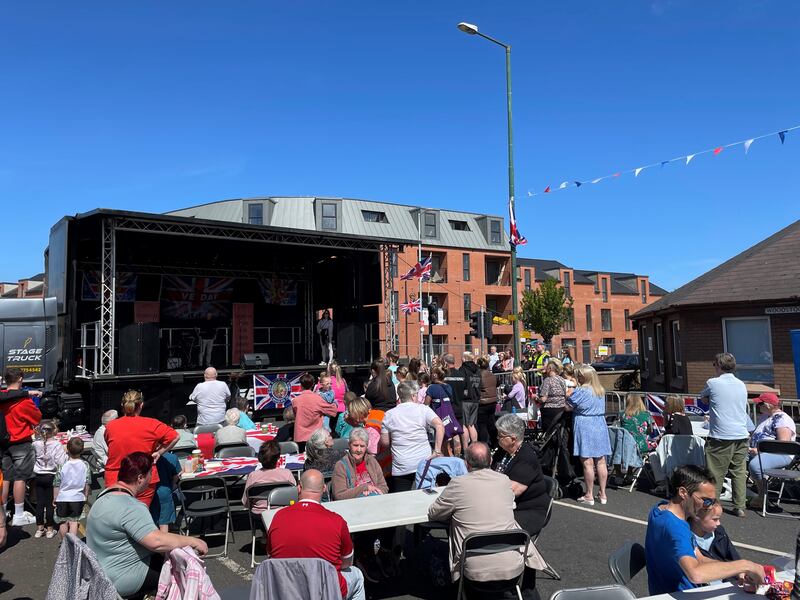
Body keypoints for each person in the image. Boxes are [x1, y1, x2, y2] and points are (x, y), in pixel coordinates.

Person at [87, 452, 208, 598]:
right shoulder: (131, 506)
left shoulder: (103, 496)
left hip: (100, 572)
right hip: (123, 578)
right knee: (182, 569)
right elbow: (156, 542)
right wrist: (194, 541)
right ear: (140, 478)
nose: (152, 478)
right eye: (151, 473)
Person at [429, 442, 542, 597]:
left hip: (474, 571)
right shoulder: (504, 480)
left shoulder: (457, 484)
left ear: (466, 464)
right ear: (490, 462)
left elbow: (434, 513)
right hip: (513, 569)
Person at [644, 465, 764, 595]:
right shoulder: (676, 528)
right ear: (683, 493)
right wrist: (745, 565)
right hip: (682, 594)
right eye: (706, 501)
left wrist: (737, 570)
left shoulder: (659, 509)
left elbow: (699, 559)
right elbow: (695, 573)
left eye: (712, 501)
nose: (709, 507)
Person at [267, 469, 365, 600]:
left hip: (287, 590)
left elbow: (271, 557)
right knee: (357, 575)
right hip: (327, 592)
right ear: (324, 488)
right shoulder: (337, 521)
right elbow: (346, 562)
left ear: (299, 487)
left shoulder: (278, 517)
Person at [331, 428, 392, 582]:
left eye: (362, 446)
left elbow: (384, 487)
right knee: (367, 527)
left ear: (366, 447)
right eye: (355, 445)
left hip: (375, 506)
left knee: (395, 525)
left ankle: (384, 556)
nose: (358, 449)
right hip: (353, 511)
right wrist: (363, 489)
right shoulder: (341, 466)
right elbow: (339, 495)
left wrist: (376, 492)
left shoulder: (372, 461)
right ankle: (365, 558)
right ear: (349, 445)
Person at [104, 390, 179, 506]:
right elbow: (174, 436)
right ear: (141, 405)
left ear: (122, 405)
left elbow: (109, 443)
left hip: (116, 477)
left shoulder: (110, 426)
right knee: (140, 514)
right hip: (142, 477)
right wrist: (160, 452)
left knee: (116, 516)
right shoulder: (151, 424)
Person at [699, 353, 750, 517]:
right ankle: (740, 506)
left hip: (721, 435)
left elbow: (703, 397)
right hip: (741, 434)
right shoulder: (741, 384)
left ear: (719, 366)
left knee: (715, 473)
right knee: (739, 472)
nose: (714, 367)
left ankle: (712, 506)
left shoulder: (713, 383)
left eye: (714, 364)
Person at [381, 381, 445, 492]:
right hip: (423, 461)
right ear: (413, 395)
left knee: (402, 499)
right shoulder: (423, 409)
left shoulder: (389, 414)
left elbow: (385, 442)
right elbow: (440, 425)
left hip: (401, 464)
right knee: (426, 495)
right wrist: (437, 450)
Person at [492, 414, 550, 537]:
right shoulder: (503, 452)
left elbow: (511, 491)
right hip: (505, 506)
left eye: (500, 436)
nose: (497, 438)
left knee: (487, 525)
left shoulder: (527, 458)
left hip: (528, 510)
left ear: (513, 439)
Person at [0, 368, 42, 526]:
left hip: (4, 443)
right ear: (20, 379)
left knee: (5, 478)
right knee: (20, 478)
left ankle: (2, 511)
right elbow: (36, 418)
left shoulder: (2, 398)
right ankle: (18, 514)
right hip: (20, 441)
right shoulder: (23, 401)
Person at [568, 365, 611, 505]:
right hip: (599, 423)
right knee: (601, 461)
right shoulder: (600, 390)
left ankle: (589, 495)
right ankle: (603, 494)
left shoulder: (580, 391)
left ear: (583, 377)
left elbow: (567, 406)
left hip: (585, 424)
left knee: (587, 462)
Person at [747, 392, 797, 510]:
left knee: (756, 466)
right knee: (735, 458)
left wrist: (759, 451)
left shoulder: (782, 419)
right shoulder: (765, 417)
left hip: (781, 454)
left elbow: (782, 444)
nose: (758, 406)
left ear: (768, 405)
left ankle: (762, 497)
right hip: (758, 452)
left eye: (760, 404)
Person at [32, 420, 67, 539]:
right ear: (54, 431)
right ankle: (50, 529)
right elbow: (60, 462)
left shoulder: (36, 444)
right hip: (51, 475)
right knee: (50, 503)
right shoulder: (57, 445)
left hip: (39, 476)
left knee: (40, 503)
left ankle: (40, 528)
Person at [243, 440, 296, 514]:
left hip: (259, 514)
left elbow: (246, 502)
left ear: (260, 458)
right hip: (281, 513)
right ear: (278, 458)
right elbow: (294, 497)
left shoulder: (253, 476)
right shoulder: (287, 473)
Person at [53, 437, 90, 540]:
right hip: (77, 497)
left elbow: (56, 483)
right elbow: (87, 482)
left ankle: (64, 542)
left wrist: (55, 497)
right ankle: (73, 543)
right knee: (74, 522)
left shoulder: (62, 465)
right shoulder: (85, 465)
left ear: (67, 450)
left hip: (62, 496)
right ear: (82, 450)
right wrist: (86, 495)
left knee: (63, 522)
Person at [293, 373, 339, 449]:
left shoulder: (295, 401)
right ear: (313, 385)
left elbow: (296, 415)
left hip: (300, 436)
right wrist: (335, 402)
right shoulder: (318, 398)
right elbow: (333, 411)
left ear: (301, 385)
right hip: (315, 436)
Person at [425, 368, 464, 456]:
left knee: (441, 443)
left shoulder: (431, 388)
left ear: (434, 375)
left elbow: (426, 404)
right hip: (448, 417)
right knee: (447, 442)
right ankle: (453, 457)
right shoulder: (448, 387)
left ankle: (446, 460)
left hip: (437, 417)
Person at [150, 450, 181, 532]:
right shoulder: (172, 457)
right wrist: (171, 485)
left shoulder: (147, 456)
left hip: (149, 491)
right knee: (164, 523)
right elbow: (176, 475)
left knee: (151, 522)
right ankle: (165, 542)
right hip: (165, 490)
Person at [537, 362, 568, 431]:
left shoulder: (547, 380)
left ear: (550, 369)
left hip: (549, 410)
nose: (545, 369)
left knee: (548, 432)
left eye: (546, 368)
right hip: (561, 409)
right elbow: (565, 393)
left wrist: (535, 398)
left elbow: (543, 399)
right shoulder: (562, 379)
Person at [460, 352, 481, 446]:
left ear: (464, 358)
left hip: (466, 399)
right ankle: (475, 446)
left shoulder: (463, 369)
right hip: (475, 399)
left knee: (464, 425)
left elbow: (462, 384)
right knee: (471, 425)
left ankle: (466, 449)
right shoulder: (477, 369)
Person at [476, 357, 498, 445]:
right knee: (491, 423)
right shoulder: (492, 375)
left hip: (483, 403)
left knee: (482, 425)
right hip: (492, 402)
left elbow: (477, 388)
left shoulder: (478, 375)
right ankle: (495, 442)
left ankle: (484, 444)